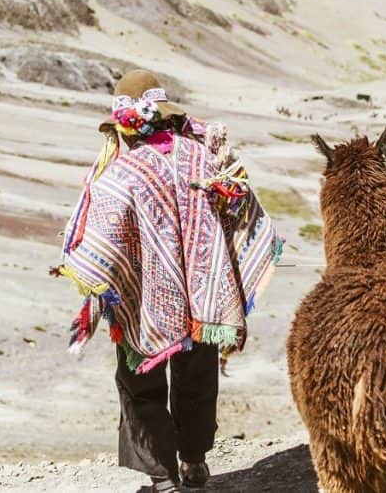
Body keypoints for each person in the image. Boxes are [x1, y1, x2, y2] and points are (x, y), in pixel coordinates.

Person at [53, 69, 282, 492]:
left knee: (139, 377)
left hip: (147, 304)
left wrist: (100, 280)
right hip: (205, 297)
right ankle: (194, 461)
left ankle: (161, 475)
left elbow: (100, 246)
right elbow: (241, 207)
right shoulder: (203, 156)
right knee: (197, 373)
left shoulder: (121, 172)